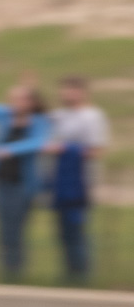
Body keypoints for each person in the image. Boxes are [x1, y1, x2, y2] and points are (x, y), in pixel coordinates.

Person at [0, 61, 52, 283]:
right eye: (12, 99)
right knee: (3, 230)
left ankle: (17, 273)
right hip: (1, 183)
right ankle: (6, 274)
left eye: (20, 99)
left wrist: (10, 149)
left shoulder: (39, 122)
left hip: (23, 185)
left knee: (17, 230)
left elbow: (38, 142)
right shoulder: (5, 116)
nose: (14, 103)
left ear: (31, 102)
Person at [48, 76, 111, 285]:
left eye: (72, 90)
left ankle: (82, 276)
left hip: (81, 184)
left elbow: (96, 150)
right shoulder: (59, 115)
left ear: (83, 92)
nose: (67, 94)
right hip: (59, 182)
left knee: (77, 231)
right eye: (65, 90)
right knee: (62, 232)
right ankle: (69, 275)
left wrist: (66, 149)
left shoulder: (92, 116)